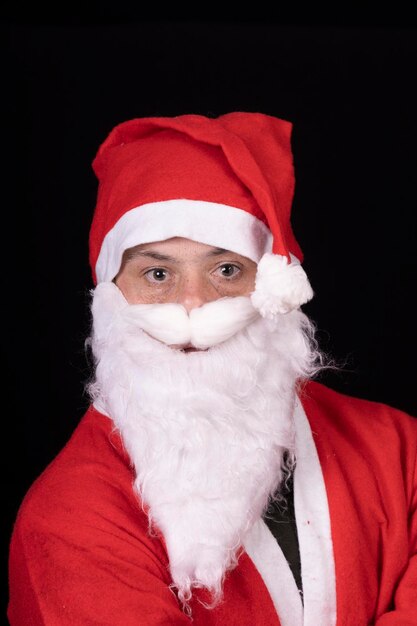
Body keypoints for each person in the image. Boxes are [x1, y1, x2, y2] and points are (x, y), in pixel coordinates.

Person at [7, 112, 417, 626]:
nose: (193, 306)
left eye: (227, 270)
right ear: (111, 296)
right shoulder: (68, 518)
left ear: (273, 288)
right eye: (158, 274)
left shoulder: (397, 448)